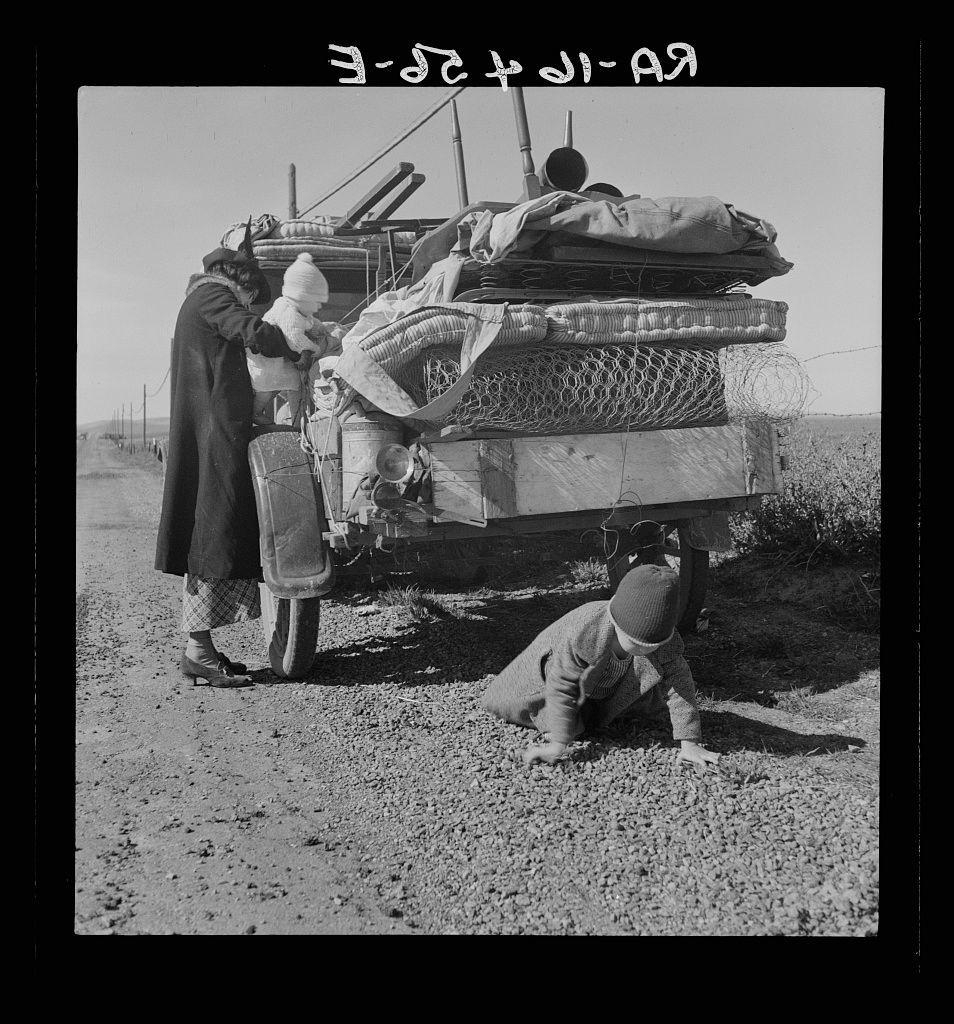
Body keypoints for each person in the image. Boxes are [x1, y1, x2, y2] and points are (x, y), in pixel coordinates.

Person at [154, 236, 311, 688]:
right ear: (238, 281)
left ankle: (200, 648)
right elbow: (252, 332)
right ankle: (198, 651)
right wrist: (295, 349)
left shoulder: (198, 299)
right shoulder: (211, 294)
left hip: (211, 427)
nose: (249, 304)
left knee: (214, 528)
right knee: (212, 530)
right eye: (251, 297)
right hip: (213, 432)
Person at [481, 564, 720, 768]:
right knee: (561, 720)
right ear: (616, 622)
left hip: (606, 689)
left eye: (653, 645)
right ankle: (561, 722)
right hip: (549, 678)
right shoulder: (586, 628)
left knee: (641, 704)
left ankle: (593, 714)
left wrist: (690, 743)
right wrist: (558, 744)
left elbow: (680, 685)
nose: (645, 650)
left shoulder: (666, 644)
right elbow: (562, 683)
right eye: (636, 643)